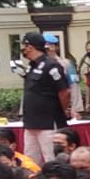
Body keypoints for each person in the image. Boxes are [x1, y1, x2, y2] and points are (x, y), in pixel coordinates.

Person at [17, 31, 70, 165]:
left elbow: (64, 92)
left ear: (30, 47)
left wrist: (62, 110)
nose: (22, 49)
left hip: (48, 123)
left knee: (51, 159)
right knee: (30, 161)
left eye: (24, 45)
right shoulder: (31, 66)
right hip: (31, 123)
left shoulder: (51, 65)